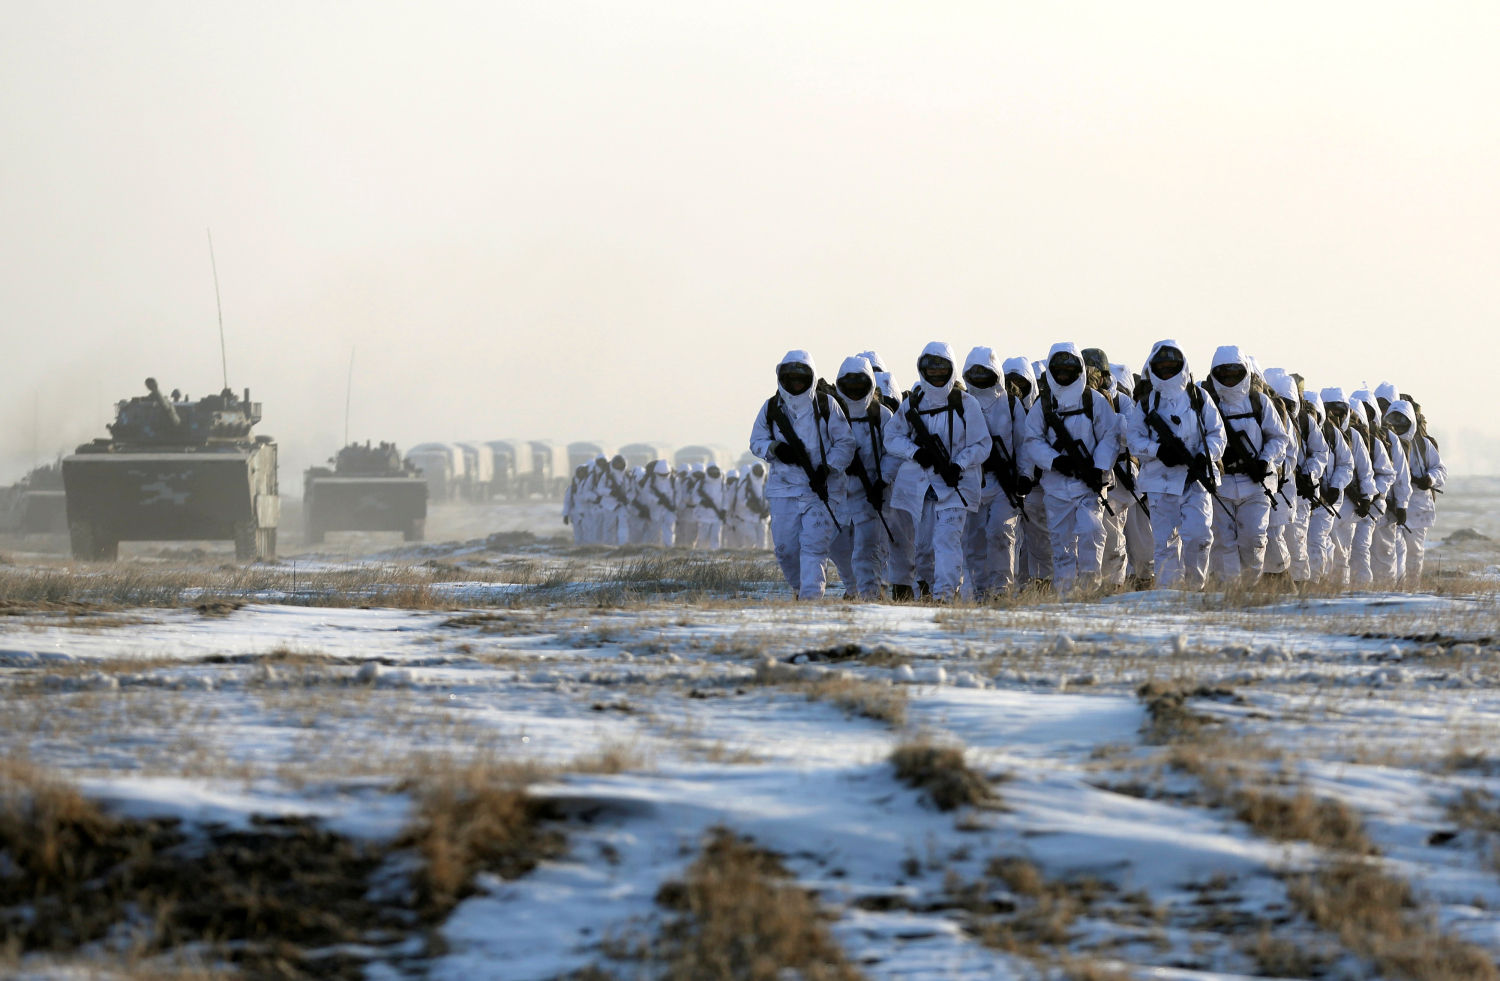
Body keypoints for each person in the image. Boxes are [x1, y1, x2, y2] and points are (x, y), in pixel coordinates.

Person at [884, 342, 990, 601]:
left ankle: (945, 595)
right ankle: (928, 592)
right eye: (930, 369)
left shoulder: (967, 404)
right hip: (922, 488)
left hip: (956, 486)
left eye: (941, 368)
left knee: (947, 541)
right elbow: (892, 436)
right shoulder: (913, 404)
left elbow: (982, 443)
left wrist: (958, 464)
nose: (935, 374)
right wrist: (915, 452)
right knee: (922, 547)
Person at [749, 350, 856, 599]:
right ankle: (800, 588)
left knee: (814, 547)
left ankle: (810, 599)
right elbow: (756, 441)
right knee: (785, 550)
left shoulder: (826, 406)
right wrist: (774, 449)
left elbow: (845, 443)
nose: (796, 383)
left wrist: (828, 467)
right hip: (783, 490)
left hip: (820, 490)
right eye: (791, 378)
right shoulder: (771, 408)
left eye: (801, 378)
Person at [1124, 340, 1226, 590]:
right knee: (1166, 543)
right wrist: (1158, 450)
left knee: (1199, 535)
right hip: (1161, 481)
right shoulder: (1148, 403)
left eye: (1172, 367)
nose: (1168, 372)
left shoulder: (1199, 397)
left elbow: (1217, 434)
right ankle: (1168, 594)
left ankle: (1194, 590)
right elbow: (1134, 438)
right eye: (1162, 367)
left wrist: (1205, 455)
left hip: (1196, 479)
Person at [1023, 343, 1119, 594]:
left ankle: (1089, 589)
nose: (1064, 373)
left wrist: (1099, 467)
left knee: (1091, 532)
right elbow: (1032, 439)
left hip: (1090, 485)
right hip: (1056, 486)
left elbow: (1110, 436)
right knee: (1062, 544)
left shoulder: (1094, 401)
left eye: (1069, 368)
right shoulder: (1043, 405)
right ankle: (1065, 594)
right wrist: (1054, 460)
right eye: (1059, 368)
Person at [1200, 347, 1289, 583]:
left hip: (1255, 483)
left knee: (1254, 539)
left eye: (1234, 373)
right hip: (1221, 484)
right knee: (1222, 541)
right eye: (1223, 374)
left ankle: (1250, 587)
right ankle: (1228, 592)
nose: (1229, 379)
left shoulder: (1259, 401)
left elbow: (1279, 437)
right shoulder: (1207, 403)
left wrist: (1264, 460)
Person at [963, 347, 1028, 597]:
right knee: (974, 539)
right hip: (973, 480)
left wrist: (1024, 476)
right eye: (975, 372)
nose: (979, 377)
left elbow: (1023, 444)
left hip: (1005, 483)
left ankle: (1001, 590)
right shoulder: (963, 402)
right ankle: (980, 592)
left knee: (1001, 532)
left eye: (984, 371)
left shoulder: (1010, 404)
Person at [828, 356, 894, 599]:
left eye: (860, 383)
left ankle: (870, 595)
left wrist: (882, 480)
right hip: (839, 492)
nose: (855, 389)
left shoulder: (883, 416)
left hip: (872, 494)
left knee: (867, 549)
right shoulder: (832, 414)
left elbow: (893, 453)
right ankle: (853, 587)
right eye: (849, 383)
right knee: (836, 546)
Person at [1384, 398, 1445, 585]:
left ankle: (1412, 588)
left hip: (1418, 508)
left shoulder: (1423, 445)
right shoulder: (1386, 442)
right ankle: (1397, 586)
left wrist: (1429, 479)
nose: (1398, 425)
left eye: (1402, 421)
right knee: (1395, 549)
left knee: (1415, 552)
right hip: (1393, 506)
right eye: (1394, 420)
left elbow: (1440, 469)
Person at [1003, 357, 1051, 587]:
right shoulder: (1001, 411)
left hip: (1037, 488)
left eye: (1021, 383)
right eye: (1011, 382)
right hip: (1004, 487)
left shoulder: (1039, 410)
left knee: (1040, 539)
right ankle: (1019, 586)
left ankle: (1042, 584)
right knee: (1011, 540)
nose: (1016, 387)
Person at [639, 459, 677, 547]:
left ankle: (669, 549)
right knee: (654, 532)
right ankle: (653, 549)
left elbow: (678, 494)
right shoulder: (651, 481)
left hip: (669, 509)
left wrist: (674, 505)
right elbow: (645, 494)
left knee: (669, 531)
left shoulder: (673, 480)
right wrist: (657, 500)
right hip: (655, 509)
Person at [562, 464, 590, 544]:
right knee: (578, 534)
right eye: (579, 472)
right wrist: (565, 515)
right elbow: (567, 502)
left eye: (583, 472)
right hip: (576, 515)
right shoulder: (572, 488)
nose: (581, 474)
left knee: (588, 534)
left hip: (588, 514)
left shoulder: (588, 485)